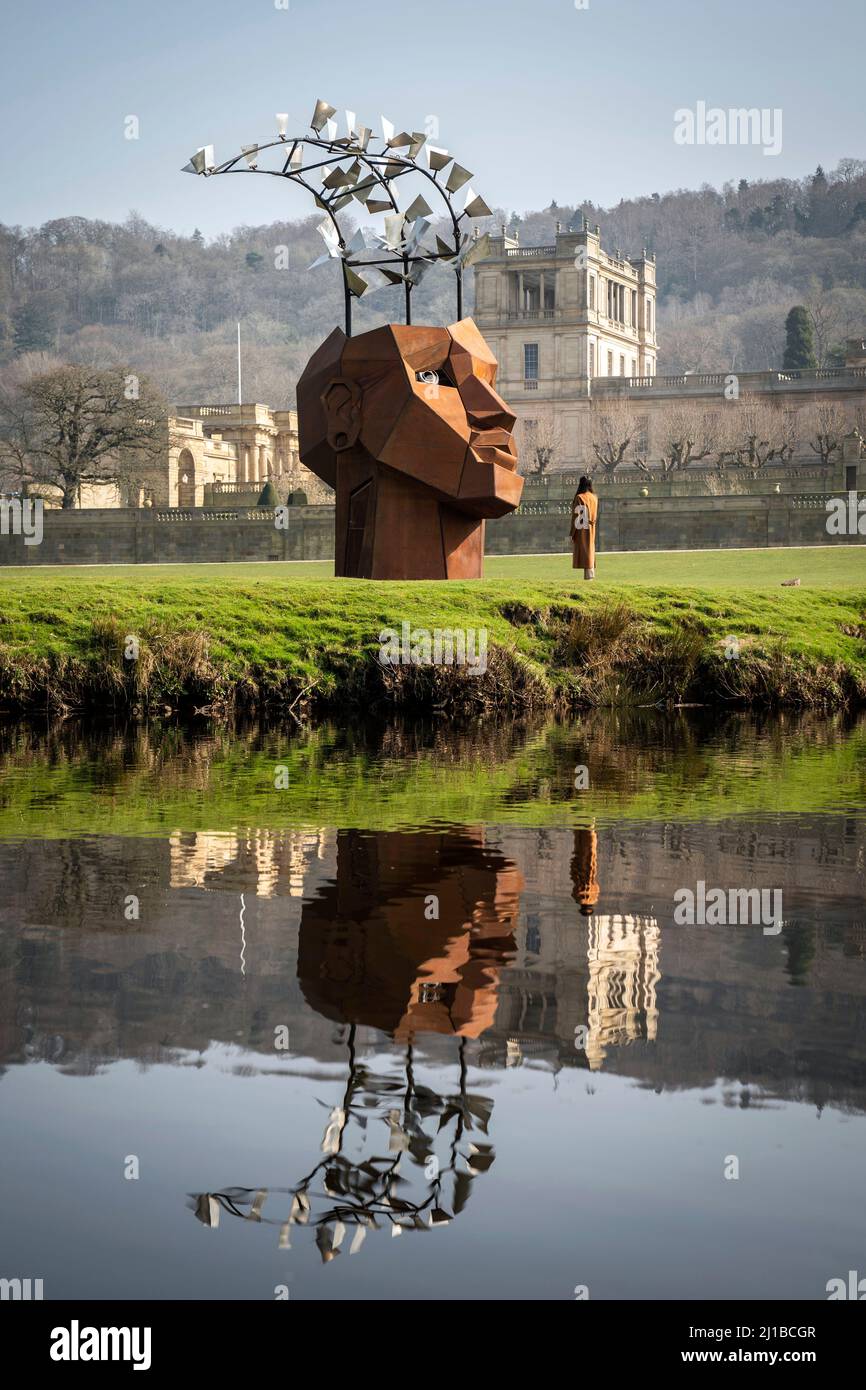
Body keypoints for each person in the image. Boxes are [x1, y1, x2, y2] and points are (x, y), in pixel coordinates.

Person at [570, 475, 598, 580]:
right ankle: (590, 574)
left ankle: (589, 575)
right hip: (592, 526)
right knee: (590, 549)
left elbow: (578, 517)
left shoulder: (580, 497)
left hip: (582, 527)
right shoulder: (594, 497)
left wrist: (573, 533)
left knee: (585, 551)